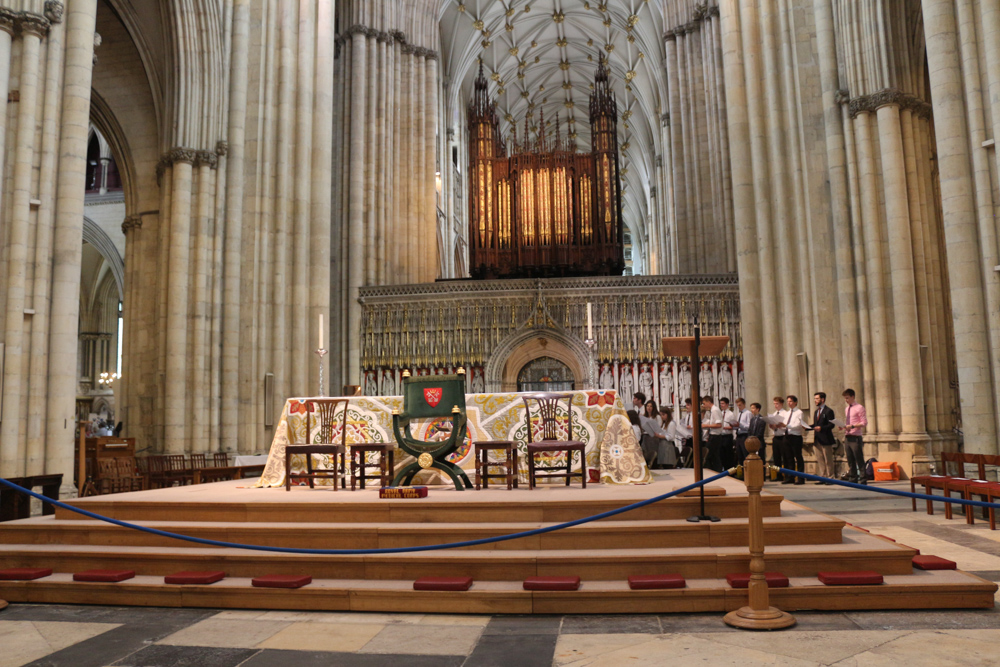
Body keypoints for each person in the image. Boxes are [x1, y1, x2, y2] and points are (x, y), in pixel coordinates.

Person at [841, 388, 868, 484]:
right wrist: (843, 427)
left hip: (855, 436)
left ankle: (863, 478)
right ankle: (853, 477)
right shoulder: (847, 408)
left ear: (853, 397)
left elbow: (864, 423)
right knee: (850, 459)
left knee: (859, 458)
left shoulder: (859, 407)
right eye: (845, 398)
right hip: (848, 435)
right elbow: (849, 422)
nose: (846, 400)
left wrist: (852, 426)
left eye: (847, 398)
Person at [810, 392, 836, 484]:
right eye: (814, 399)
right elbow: (816, 425)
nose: (815, 400)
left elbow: (831, 425)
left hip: (826, 438)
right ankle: (823, 476)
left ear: (822, 399)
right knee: (820, 459)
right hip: (817, 439)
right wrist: (808, 427)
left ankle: (830, 477)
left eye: (817, 399)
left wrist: (821, 428)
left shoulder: (828, 411)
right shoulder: (816, 412)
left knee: (828, 459)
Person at [781, 395, 806, 485]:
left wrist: (786, 426)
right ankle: (790, 477)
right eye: (788, 401)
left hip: (795, 436)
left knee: (798, 457)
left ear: (795, 402)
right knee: (789, 458)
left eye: (791, 401)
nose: (789, 403)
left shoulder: (799, 412)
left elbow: (798, 425)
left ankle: (800, 478)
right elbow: (784, 424)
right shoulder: (787, 413)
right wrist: (779, 426)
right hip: (787, 436)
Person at [701, 395, 725, 471]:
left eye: (704, 403)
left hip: (715, 436)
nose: (703, 406)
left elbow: (719, 424)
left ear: (709, 402)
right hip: (713, 435)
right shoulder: (713, 410)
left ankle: (713, 471)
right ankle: (716, 471)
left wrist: (706, 425)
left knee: (708, 455)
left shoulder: (715, 410)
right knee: (714, 456)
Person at [768, 396, 788, 481]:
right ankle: (778, 475)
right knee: (777, 457)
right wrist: (772, 426)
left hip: (783, 436)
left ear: (781, 404)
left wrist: (780, 425)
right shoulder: (774, 414)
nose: (775, 405)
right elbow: (774, 427)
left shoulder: (785, 413)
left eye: (777, 403)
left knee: (785, 457)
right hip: (776, 436)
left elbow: (786, 426)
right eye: (774, 404)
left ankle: (787, 476)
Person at [718, 397, 737, 469]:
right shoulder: (720, 413)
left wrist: (725, 427)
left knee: (728, 454)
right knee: (722, 454)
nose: (721, 405)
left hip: (727, 436)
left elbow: (734, 426)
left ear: (727, 404)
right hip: (721, 436)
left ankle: (730, 470)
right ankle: (723, 468)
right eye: (720, 404)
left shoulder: (731, 414)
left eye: (723, 403)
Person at [734, 398, 752, 466]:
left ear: (744, 404)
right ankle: (741, 473)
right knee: (739, 454)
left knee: (745, 454)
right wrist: (734, 426)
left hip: (745, 435)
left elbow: (749, 426)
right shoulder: (739, 413)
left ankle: (747, 473)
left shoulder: (748, 413)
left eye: (740, 405)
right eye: (738, 405)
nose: (739, 407)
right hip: (738, 435)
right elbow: (738, 426)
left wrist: (740, 425)